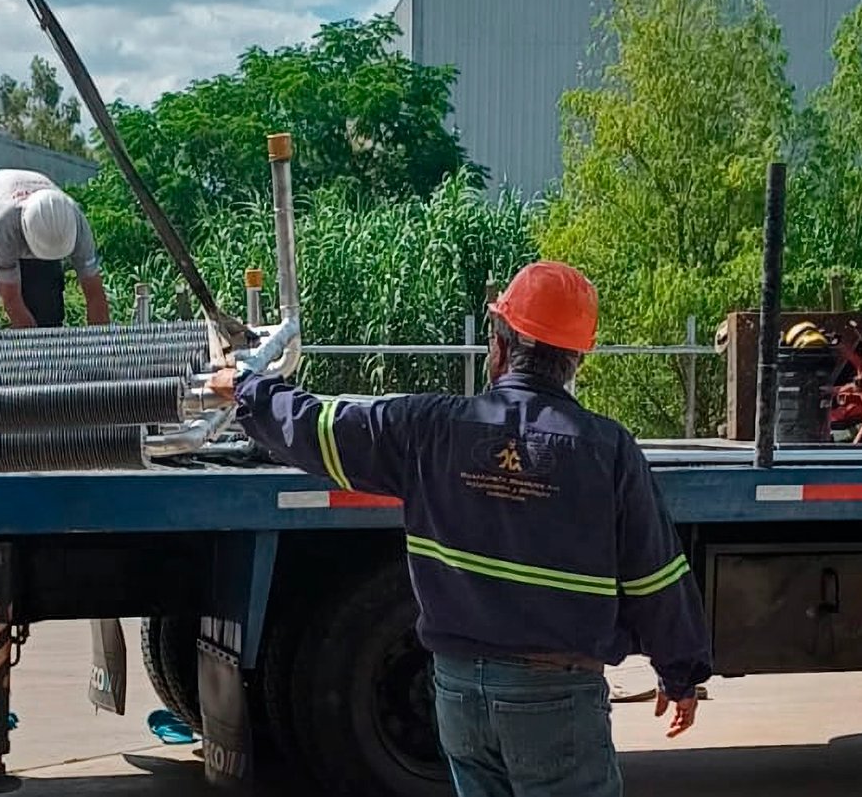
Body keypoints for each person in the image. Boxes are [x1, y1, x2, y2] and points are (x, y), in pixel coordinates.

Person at [208, 260, 711, 797]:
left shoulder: (428, 428)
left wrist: (248, 389)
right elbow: (655, 579)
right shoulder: (606, 450)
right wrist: (680, 672)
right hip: (554, 692)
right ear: (574, 361)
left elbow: (322, 428)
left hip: (456, 691)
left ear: (498, 346)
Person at [0, 168, 110, 330]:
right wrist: (35, 349)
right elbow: (12, 301)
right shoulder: (2, 226)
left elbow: (95, 295)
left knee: (48, 314)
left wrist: (103, 346)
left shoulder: (76, 224)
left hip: (28, 216)